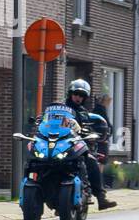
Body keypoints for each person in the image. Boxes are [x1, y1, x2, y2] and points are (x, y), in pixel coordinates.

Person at [49, 78, 116, 209]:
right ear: (70, 93)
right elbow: (48, 122)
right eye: (76, 94)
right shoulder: (60, 108)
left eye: (82, 95)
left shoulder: (83, 113)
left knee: (91, 161)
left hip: (76, 145)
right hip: (59, 144)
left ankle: (101, 198)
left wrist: (91, 134)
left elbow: (90, 128)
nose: (78, 98)